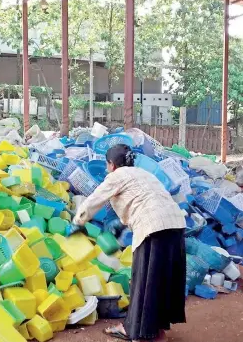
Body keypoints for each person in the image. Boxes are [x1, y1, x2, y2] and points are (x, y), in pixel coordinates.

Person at [73, 144, 186, 342]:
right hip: (176, 224)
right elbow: (144, 200)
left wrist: (77, 222)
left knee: (144, 280)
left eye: (108, 165)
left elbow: (94, 200)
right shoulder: (144, 174)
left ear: (111, 164)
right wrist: (122, 223)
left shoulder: (117, 176)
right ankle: (157, 331)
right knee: (162, 280)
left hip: (153, 226)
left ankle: (136, 331)